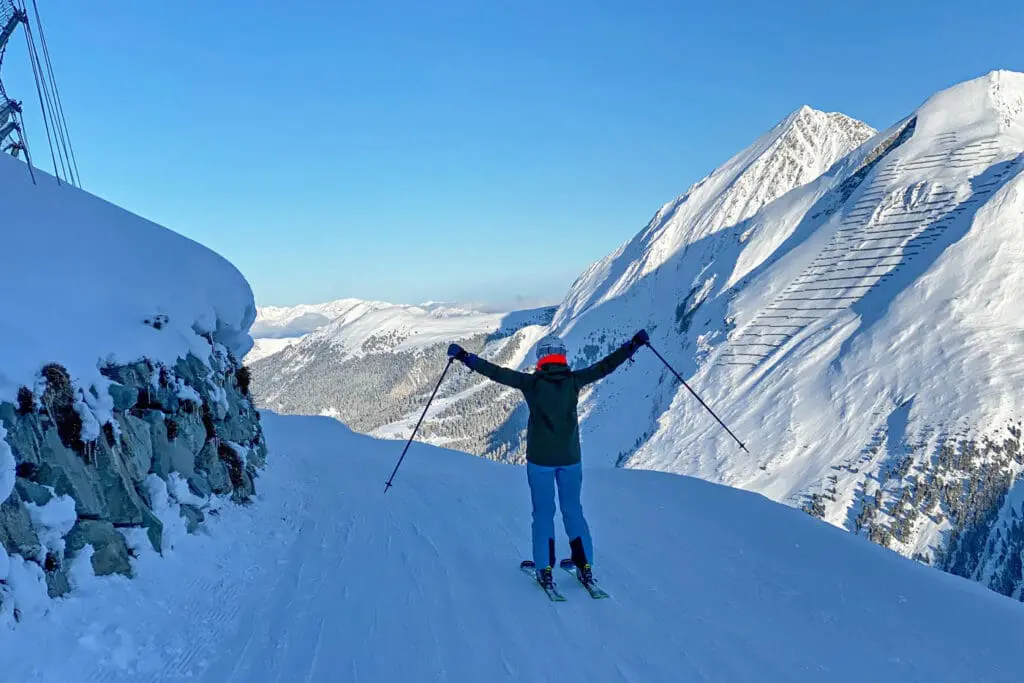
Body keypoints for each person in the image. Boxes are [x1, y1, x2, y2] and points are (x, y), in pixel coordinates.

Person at [447, 329, 649, 589]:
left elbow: (496, 372)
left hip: (540, 461)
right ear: (562, 358)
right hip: (570, 459)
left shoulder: (531, 384)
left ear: (541, 359)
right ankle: (584, 565)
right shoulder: (574, 381)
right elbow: (605, 366)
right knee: (573, 510)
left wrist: (465, 357)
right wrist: (633, 345)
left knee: (543, 514)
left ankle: (544, 569)